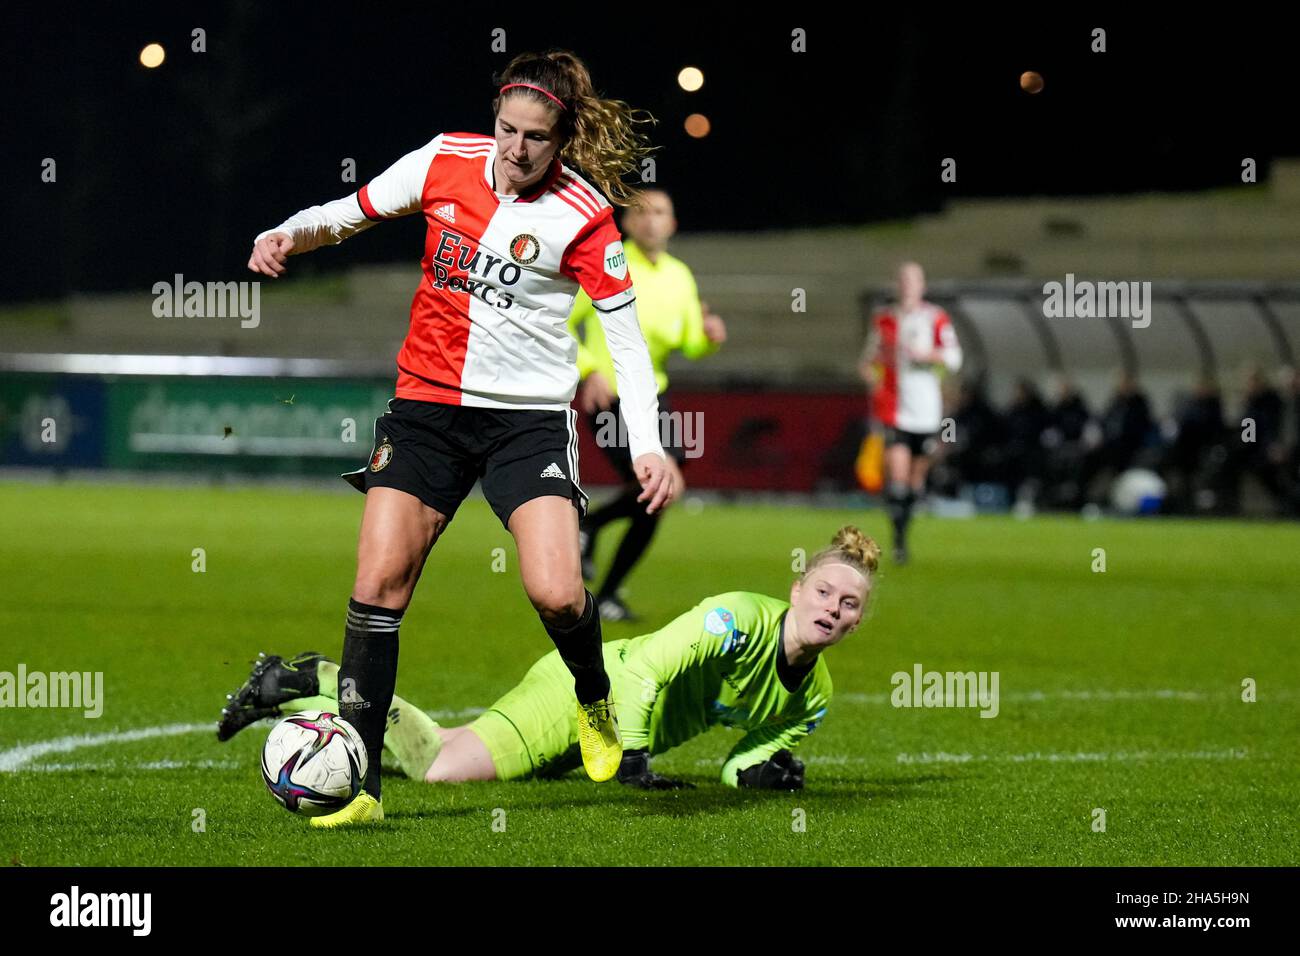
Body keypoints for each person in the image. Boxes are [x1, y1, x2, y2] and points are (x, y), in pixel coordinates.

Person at [243, 51, 674, 827]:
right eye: (506, 129)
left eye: (534, 137)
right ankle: (365, 789)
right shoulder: (445, 159)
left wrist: (646, 444)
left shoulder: (584, 215)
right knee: (378, 587)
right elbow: (348, 213)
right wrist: (285, 234)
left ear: (563, 137)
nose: (514, 149)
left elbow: (629, 345)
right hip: (426, 413)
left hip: (527, 423)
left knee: (556, 591)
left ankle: (594, 697)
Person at [217, 527, 879, 790]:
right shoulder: (735, 617)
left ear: (856, 623)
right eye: (824, 591)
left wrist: (761, 775)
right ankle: (313, 679)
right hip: (582, 694)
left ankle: (297, 681)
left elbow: (741, 760)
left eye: (849, 605)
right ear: (797, 589)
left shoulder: (814, 695)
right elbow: (646, 672)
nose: (833, 608)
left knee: (449, 744)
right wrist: (637, 757)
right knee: (442, 768)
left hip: (600, 744)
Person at [568, 188, 726, 622]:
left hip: (653, 396)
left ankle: (596, 546)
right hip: (611, 396)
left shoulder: (680, 276)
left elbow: (688, 342)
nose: (652, 220)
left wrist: (707, 338)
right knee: (658, 487)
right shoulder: (610, 261)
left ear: (672, 224)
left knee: (660, 492)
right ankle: (607, 578)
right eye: (642, 213)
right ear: (627, 223)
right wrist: (588, 369)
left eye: (660, 212)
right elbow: (561, 321)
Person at [858, 262, 962, 563]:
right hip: (894, 411)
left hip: (927, 413)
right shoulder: (885, 321)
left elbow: (955, 357)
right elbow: (867, 360)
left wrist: (929, 355)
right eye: (902, 280)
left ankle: (905, 530)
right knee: (898, 478)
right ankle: (899, 542)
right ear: (897, 284)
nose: (907, 285)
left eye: (913, 280)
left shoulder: (935, 318)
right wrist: (872, 376)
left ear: (922, 286)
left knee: (916, 481)